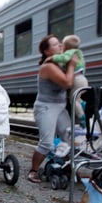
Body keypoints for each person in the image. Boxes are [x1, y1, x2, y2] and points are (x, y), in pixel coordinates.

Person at [28, 35, 78, 183]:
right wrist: (72, 65)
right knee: (46, 142)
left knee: (68, 137)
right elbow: (67, 83)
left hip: (60, 106)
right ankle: (34, 171)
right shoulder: (48, 67)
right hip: (46, 107)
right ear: (47, 51)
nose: (60, 46)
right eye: (56, 45)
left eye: (60, 44)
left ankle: (67, 167)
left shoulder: (57, 63)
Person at [47, 34, 88, 125]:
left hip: (77, 80)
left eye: (62, 44)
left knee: (73, 99)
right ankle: (82, 104)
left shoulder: (70, 53)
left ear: (66, 46)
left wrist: (52, 58)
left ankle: (82, 117)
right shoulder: (78, 52)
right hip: (82, 79)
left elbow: (64, 58)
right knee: (77, 98)